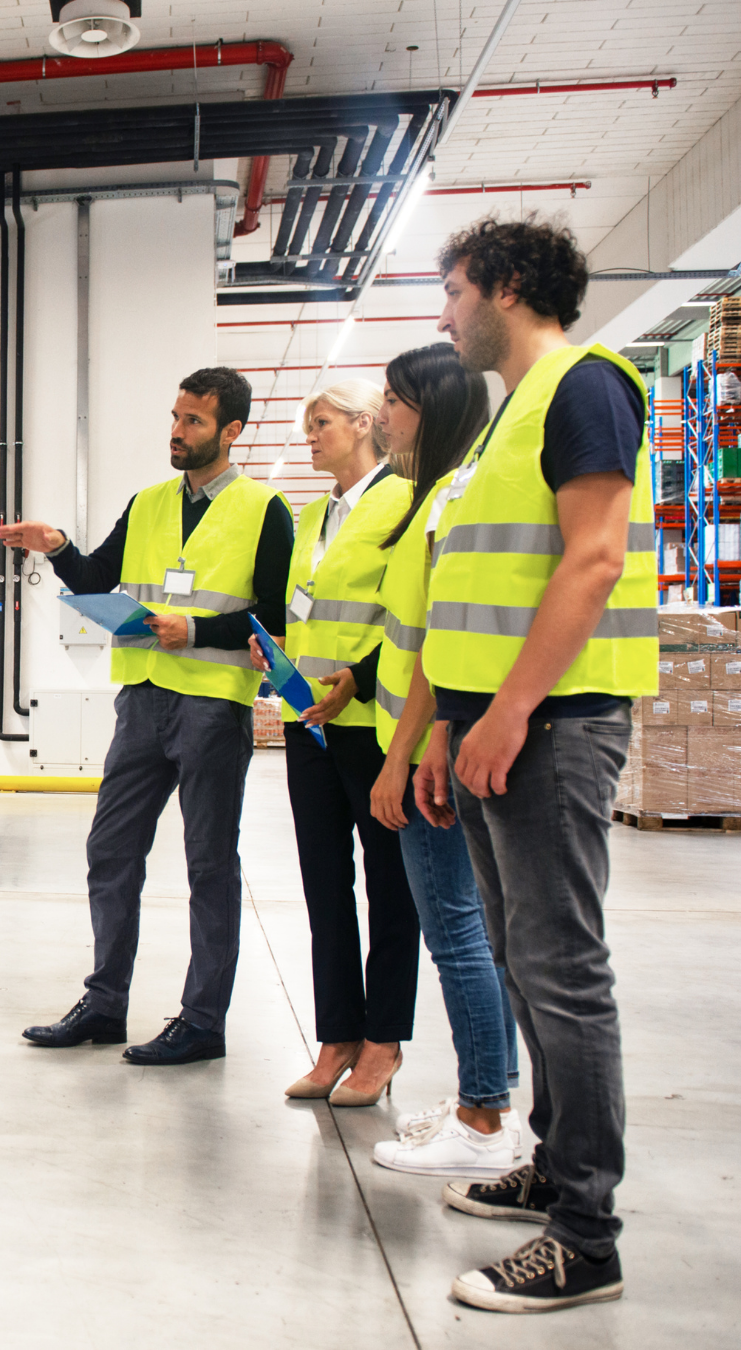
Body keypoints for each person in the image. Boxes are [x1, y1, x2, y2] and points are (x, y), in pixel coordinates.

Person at [416, 216, 654, 1313]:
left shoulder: (585, 387)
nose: (445, 310)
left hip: (551, 726)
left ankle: (586, 1239)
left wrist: (509, 711)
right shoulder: (507, 418)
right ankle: (556, 1166)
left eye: (454, 288)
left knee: (563, 972)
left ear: (507, 286)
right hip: (498, 730)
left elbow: (596, 557)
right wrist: (449, 724)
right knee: (523, 959)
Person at [1, 368, 294, 1065]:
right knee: (111, 849)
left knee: (208, 864)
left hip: (214, 709)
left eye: (193, 422)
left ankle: (202, 1021)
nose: (176, 431)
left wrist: (194, 633)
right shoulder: (150, 502)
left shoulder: (266, 509)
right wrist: (57, 547)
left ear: (230, 431)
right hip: (141, 702)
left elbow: (277, 622)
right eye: (174, 417)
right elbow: (100, 578)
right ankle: (105, 1003)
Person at [352, 344, 527, 1178]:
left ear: (433, 409)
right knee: (475, 932)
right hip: (424, 744)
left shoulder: (444, 505)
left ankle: (484, 1117)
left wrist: (405, 755)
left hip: (427, 755)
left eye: (393, 400)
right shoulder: (431, 501)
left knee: (456, 931)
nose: (380, 415)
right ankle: (488, 1101)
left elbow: (430, 648)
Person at [251, 380, 420, 1108]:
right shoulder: (312, 514)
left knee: (389, 888)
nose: (310, 435)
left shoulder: (404, 500)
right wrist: (278, 652)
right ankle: (337, 1037)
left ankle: (384, 1041)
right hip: (308, 722)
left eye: (320, 423)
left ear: (363, 423)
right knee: (324, 886)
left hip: (373, 723)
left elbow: (410, 616)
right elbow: (304, 610)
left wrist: (358, 676)